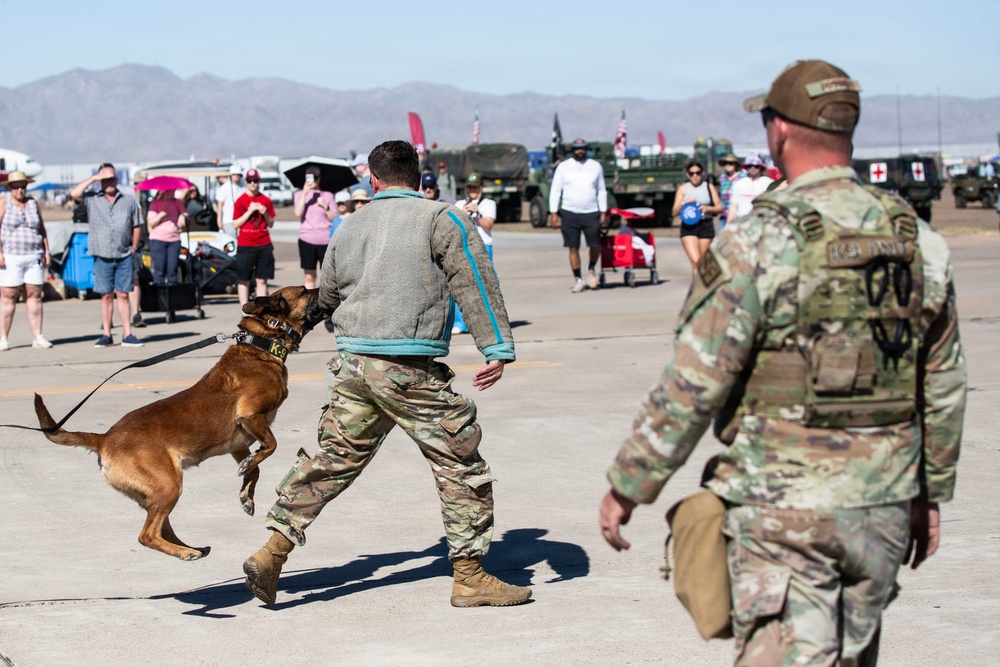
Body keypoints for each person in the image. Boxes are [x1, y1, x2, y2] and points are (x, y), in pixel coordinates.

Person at [599, 59, 967, 665]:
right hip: (883, 510)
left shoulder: (757, 241)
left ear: (781, 131)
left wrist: (629, 485)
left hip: (784, 510)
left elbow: (695, 381)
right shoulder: (918, 241)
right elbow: (945, 383)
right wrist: (929, 495)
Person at [243, 139, 530, 609]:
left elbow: (328, 295)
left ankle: (272, 551)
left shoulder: (350, 225)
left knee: (336, 458)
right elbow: (474, 278)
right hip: (407, 368)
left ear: (372, 181)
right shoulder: (442, 218)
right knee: (460, 462)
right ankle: (471, 576)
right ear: (416, 176)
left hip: (353, 366)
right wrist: (495, 345)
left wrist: (283, 333)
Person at [70, 163, 144, 348]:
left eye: (111, 178)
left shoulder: (128, 200)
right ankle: (107, 334)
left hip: (124, 253)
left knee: (123, 294)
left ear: (117, 180)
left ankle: (127, 334)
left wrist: (134, 245)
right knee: (106, 295)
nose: (109, 182)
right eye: (105, 179)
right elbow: (74, 194)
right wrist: (94, 178)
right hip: (102, 254)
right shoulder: (92, 199)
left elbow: (137, 224)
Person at [0, 171, 53, 350]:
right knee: (8, 296)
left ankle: (38, 336)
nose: (20, 190)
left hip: (34, 255)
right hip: (11, 255)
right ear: (10, 188)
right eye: (16, 187)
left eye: (22, 186)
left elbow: (42, 229)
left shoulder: (32, 203)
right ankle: (3, 337)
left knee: (34, 294)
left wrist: (47, 250)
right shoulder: (4, 203)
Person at [548, 138, 607, 293]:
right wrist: (553, 212)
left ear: (586, 150)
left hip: (591, 212)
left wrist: (603, 211)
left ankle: (592, 269)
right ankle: (578, 279)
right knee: (573, 247)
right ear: (572, 150)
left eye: (582, 148)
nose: (579, 151)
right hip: (569, 212)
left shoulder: (595, 166)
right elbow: (555, 190)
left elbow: (601, 190)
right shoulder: (563, 167)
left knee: (595, 245)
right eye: (576, 148)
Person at [452, 172, 497, 334]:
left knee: (484, 286)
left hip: (483, 247)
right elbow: (454, 226)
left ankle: (486, 324)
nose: (473, 190)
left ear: (481, 188)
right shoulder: (458, 204)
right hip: (464, 246)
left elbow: (488, 226)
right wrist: (463, 213)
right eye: (470, 187)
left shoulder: (488, 204)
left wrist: (477, 213)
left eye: (475, 187)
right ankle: (460, 323)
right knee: (460, 284)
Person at [232, 168, 275, 306]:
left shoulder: (265, 200)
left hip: (263, 243)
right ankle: (245, 310)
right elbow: (235, 223)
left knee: (262, 279)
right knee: (244, 279)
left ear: (259, 181)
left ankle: (261, 310)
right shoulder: (241, 201)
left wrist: (265, 213)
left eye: (255, 181)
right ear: (246, 182)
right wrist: (249, 211)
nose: (253, 184)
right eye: (250, 181)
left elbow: (271, 223)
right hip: (246, 244)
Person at [672, 160, 723, 276]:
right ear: (687, 174)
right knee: (696, 261)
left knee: (703, 262)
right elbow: (674, 212)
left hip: (705, 224)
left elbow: (720, 207)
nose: (695, 176)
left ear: (702, 173)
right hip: (689, 227)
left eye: (697, 173)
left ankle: (702, 288)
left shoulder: (709, 187)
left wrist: (708, 208)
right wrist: (685, 202)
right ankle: (696, 289)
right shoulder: (683, 189)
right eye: (691, 173)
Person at [293, 166, 336, 290]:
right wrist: (305, 194)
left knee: (328, 275)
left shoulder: (327, 195)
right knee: (309, 276)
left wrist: (325, 206)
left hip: (326, 239)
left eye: (316, 178)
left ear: (319, 179)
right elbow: (298, 213)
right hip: (307, 239)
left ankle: (327, 303)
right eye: (310, 177)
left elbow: (333, 217)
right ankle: (311, 303)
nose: (313, 181)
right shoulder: (299, 194)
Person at [146, 189, 186, 286]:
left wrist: (182, 217)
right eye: (172, 191)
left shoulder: (177, 202)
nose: (174, 192)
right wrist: (162, 214)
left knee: (172, 268)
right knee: (160, 268)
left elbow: (184, 213)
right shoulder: (155, 204)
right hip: (158, 239)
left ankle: (172, 290)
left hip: (174, 239)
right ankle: (159, 291)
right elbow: (151, 223)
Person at [726, 152, 774, 223]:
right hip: (742, 222)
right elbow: (733, 206)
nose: (753, 168)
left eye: (756, 166)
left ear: (760, 167)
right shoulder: (739, 183)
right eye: (750, 166)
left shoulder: (769, 183)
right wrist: (728, 225)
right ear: (747, 167)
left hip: (761, 221)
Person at [215, 163, 246, 236]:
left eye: (238, 174)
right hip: (228, 221)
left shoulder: (243, 188)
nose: (236, 176)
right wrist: (219, 221)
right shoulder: (223, 188)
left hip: (242, 220)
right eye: (234, 174)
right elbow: (220, 206)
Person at [716, 154, 742, 232]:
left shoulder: (742, 178)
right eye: (726, 163)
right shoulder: (722, 177)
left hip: (737, 215)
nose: (728, 165)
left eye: (730, 163)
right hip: (724, 214)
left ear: (735, 165)